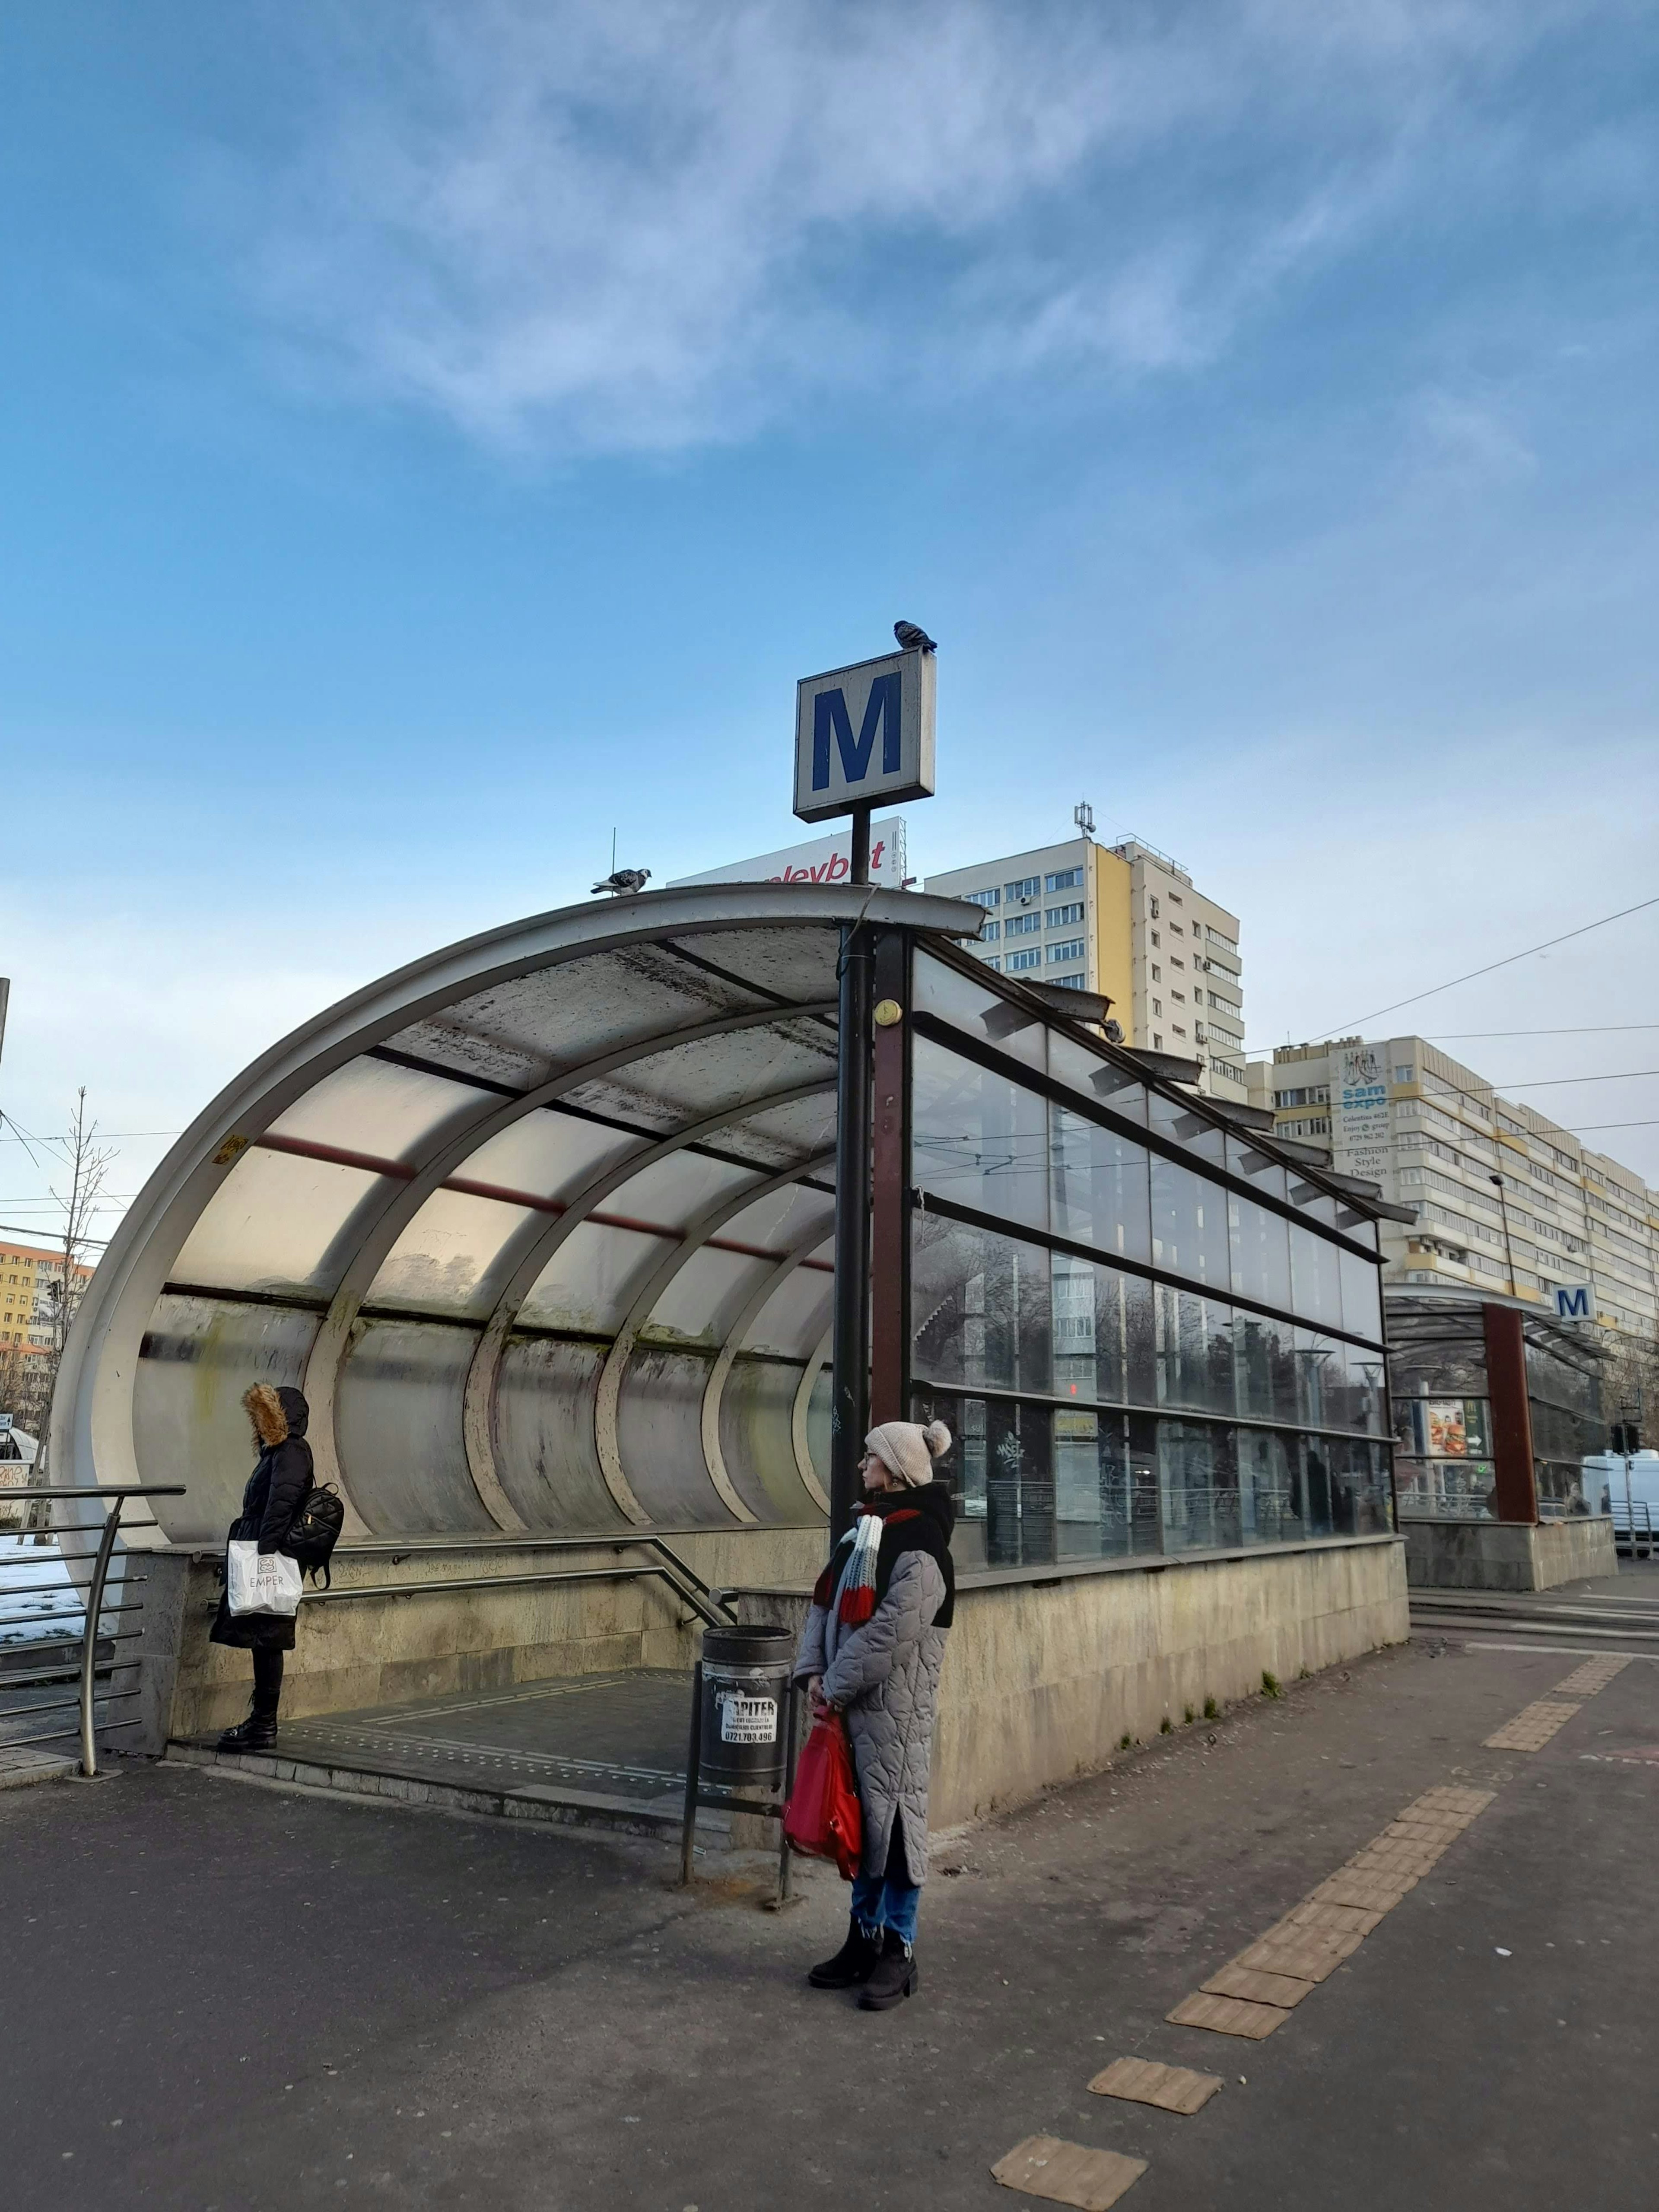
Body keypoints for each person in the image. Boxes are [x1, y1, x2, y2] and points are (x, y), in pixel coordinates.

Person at [794, 1418, 954, 2010]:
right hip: (849, 1710)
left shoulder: (924, 1545)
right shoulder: (862, 1534)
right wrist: (812, 1675)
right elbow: (823, 1606)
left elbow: (891, 1634)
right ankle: (862, 1940)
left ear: (895, 1468)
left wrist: (833, 1684)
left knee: (898, 1831)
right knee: (864, 1829)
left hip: (896, 1718)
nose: (862, 1467)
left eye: (871, 1458)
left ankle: (899, 1949)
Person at [211, 1383, 314, 1751]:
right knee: (263, 1638)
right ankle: (261, 1723)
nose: (257, 1423)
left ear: (279, 1417)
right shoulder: (278, 1453)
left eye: (263, 1415)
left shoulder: (290, 1452)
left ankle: (263, 1726)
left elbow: (282, 1504)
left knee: (268, 1639)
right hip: (267, 1549)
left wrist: (263, 1554)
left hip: (270, 1555)